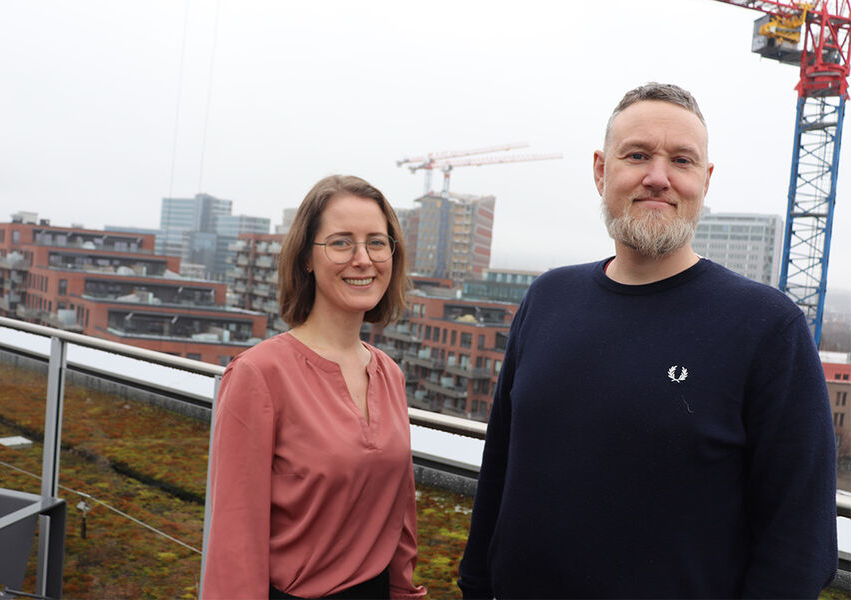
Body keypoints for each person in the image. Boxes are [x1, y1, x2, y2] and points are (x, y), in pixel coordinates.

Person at [458, 82, 837, 598]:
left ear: (704, 180)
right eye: (637, 155)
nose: (658, 177)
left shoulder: (767, 327)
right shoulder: (548, 298)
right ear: (601, 170)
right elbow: (499, 465)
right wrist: (476, 586)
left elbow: (800, 545)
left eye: (681, 161)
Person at [202, 175, 426, 599]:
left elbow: (400, 514)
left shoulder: (389, 374)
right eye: (341, 243)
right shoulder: (259, 374)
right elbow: (235, 535)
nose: (363, 259)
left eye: (377, 242)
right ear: (307, 257)